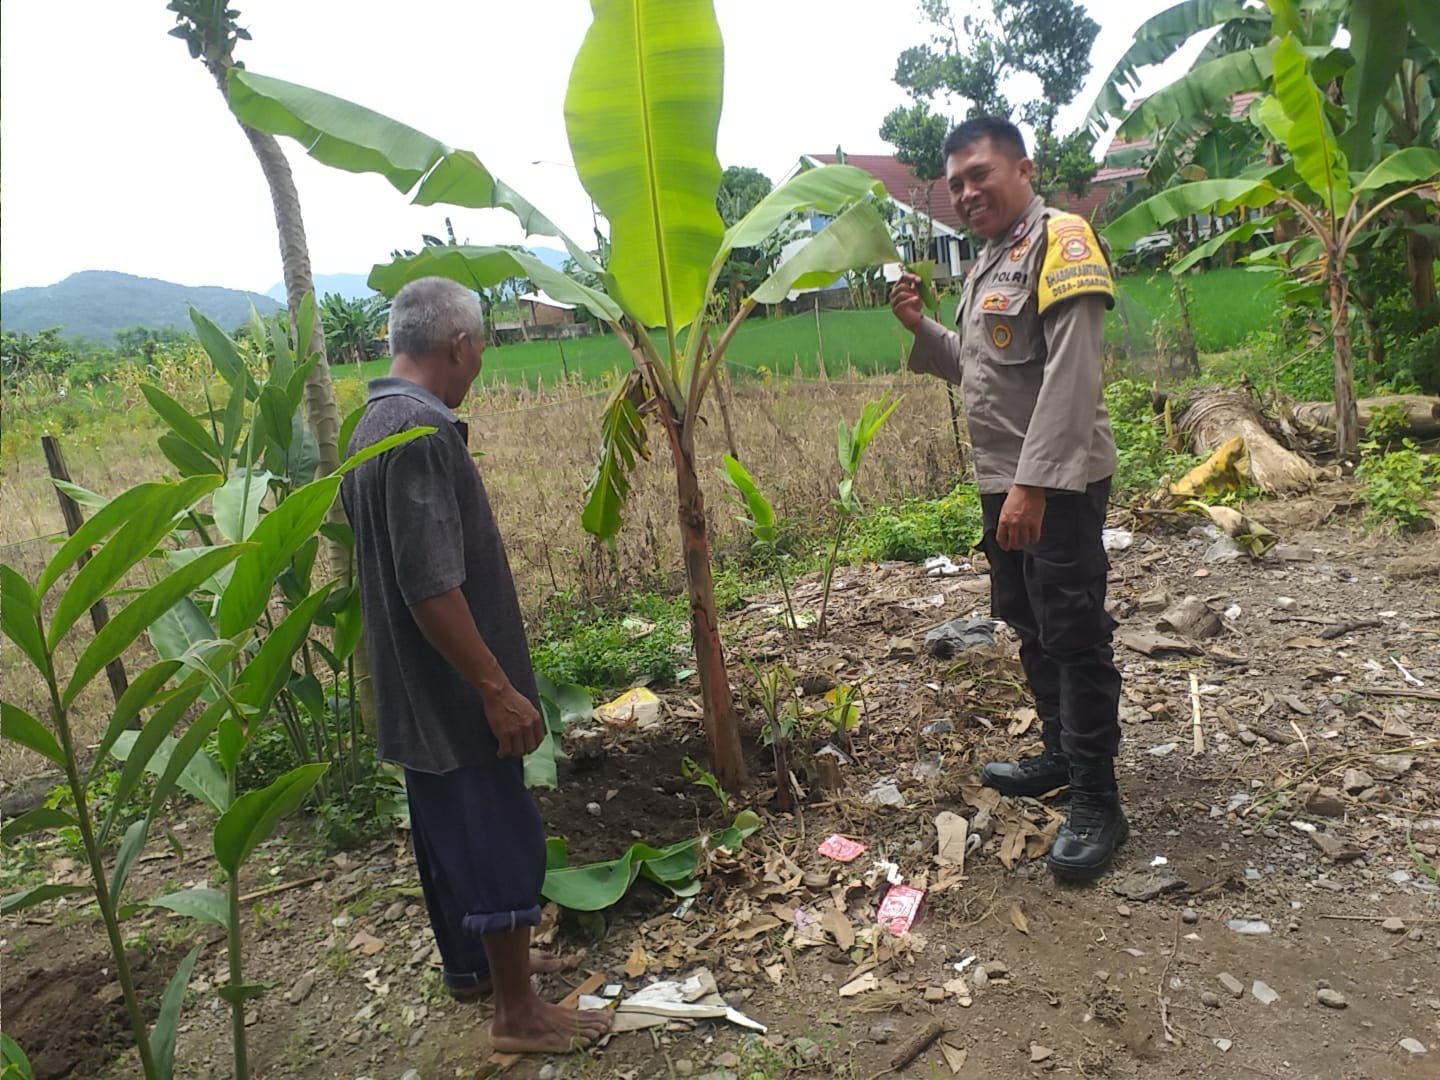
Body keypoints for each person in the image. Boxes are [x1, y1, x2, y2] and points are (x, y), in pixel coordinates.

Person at [341, 277, 611, 1051]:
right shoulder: (421, 433)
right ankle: (517, 1013)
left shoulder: (373, 425)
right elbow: (431, 583)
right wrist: (494, 687)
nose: (481, 362)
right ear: (458, 344)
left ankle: (481, 971)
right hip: (454, 696)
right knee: (495, 835)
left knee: (446, 837)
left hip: (409, 693)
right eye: (483, 346)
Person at [889, 116, 1127, 881]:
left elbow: (1072, 375)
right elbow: (985, 369)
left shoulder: (1063, 242)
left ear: (1023, 169)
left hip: (1054, 480)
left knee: (1075, 632)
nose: (965, 192)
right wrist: (919, 325)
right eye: (955, 182)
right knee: (1029, 622)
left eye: (979, 174)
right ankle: (1060, 755)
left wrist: (1033, 486)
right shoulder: (989, 260)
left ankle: (1098, 800)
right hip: (1005, 481)